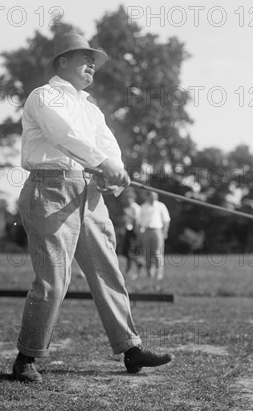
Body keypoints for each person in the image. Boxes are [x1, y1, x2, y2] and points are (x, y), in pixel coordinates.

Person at [12, 34, 174, 382]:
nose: (92, 65)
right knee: (54, 278)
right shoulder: (44, 96)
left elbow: (107, 146)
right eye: (84, 58)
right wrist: (102, 162)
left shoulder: (91, 107)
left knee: (107, 271)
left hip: (88, 191)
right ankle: (26, 357)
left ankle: (131, 350)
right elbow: (63, 135)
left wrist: (114, 171)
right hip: (50, 187)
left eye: (94, 61)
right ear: (62, 63)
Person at [139, 191, 171, 281]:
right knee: (147, 254)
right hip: (146, 231)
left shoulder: (161, 206)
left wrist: (165, 232)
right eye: (151, 196)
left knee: (158, 253)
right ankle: (149, 273)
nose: (153, 198)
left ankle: (159, 274)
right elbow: (140, 222)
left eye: (155, 196)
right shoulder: (143, 207)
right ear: (148, 196)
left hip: (157, 230)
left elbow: (166, 220)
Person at [121, 190, 144, 278]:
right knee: (126, 251)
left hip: (134, 232)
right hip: (128, 231)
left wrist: (127, 214)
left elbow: (137, 220)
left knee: (131, 251)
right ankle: (129, 268)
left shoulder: (135, 207)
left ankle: (138, 264)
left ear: (133, 198)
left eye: (129, 198)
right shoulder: (128, 208)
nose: (127, 200)